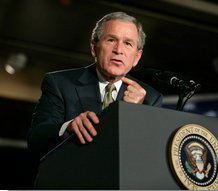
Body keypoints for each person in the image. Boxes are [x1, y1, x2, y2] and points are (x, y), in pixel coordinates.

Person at [27, 11, 163, 159]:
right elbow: (36, 139)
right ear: (94, 47)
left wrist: (136, 114)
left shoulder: (150, 98)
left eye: (128, 43)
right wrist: (68, 128)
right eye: (111, 40)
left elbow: (148, 154)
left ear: (137, 57)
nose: (118, 50)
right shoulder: (59, 83)